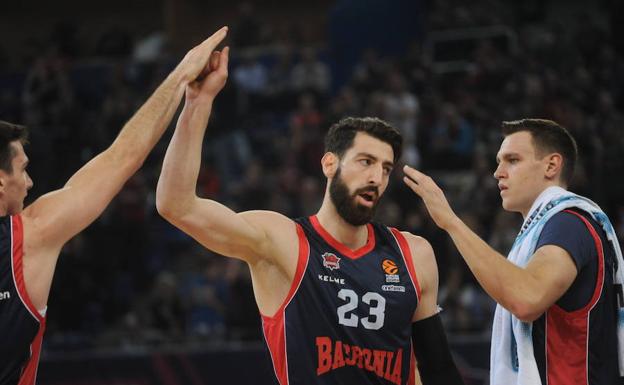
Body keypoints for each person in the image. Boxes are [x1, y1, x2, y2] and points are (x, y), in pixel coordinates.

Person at [155, 49, 464, 384]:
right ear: (329, 163)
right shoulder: (284, 241)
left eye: (386, 168)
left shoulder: (413, 254)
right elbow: (176, 205)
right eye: (365, 162)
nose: (376, 177)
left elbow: (438, 371)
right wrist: (197, 103)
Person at [0, 27, 229, 385]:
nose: (29, 182)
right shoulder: (28, 237)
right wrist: (182, 75)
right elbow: (122, 157)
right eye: (23, 170)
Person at [403, 118, 624, 385]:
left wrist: (451, 222)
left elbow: (525, 297)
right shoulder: (548, 227)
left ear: (552, 165)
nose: (498, 172)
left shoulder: (569, 223)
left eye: (512, 160)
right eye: (498, 161)